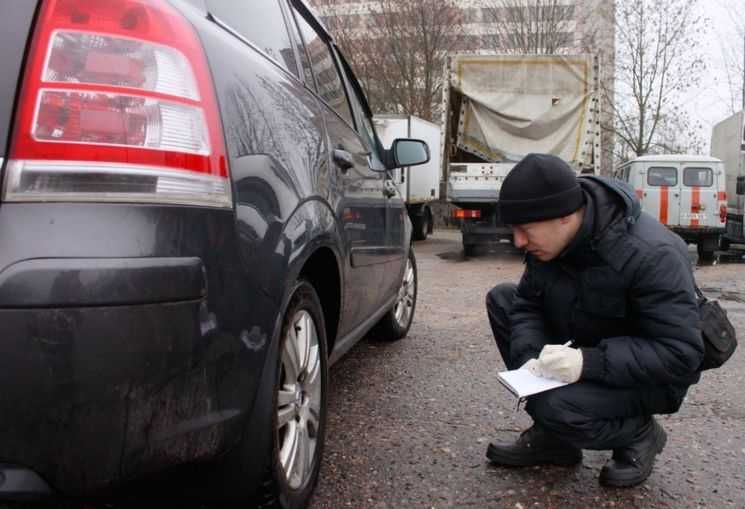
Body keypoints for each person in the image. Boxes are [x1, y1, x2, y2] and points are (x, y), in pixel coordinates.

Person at [485, 153, 703, 487]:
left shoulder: (651, 254)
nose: (518, 242)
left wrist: (588, 362)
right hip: (587, 346)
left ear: (565, 217)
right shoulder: (550, 246)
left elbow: (681, 353)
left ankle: (640, 434)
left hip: (649, 379)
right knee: (503, 299)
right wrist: (531, 361)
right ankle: (557, 440)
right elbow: (527, 304)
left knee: (557, 407)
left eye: (525, 230)